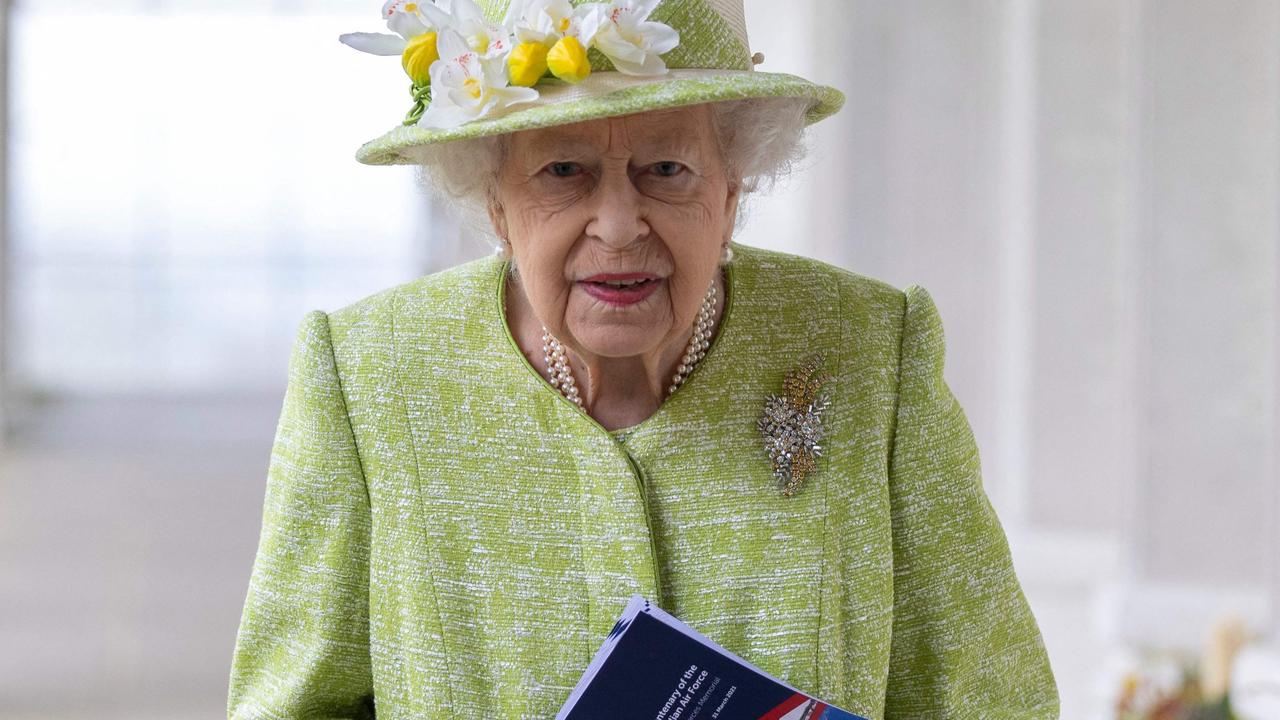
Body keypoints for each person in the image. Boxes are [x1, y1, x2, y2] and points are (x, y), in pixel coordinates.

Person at [227, 1, 1060, 718]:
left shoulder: (870, 346)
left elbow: (987, 696)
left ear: (734, 189)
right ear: (494, 199)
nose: (619, 224)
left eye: (667, 168)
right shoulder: (372, 372)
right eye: (564, 170)